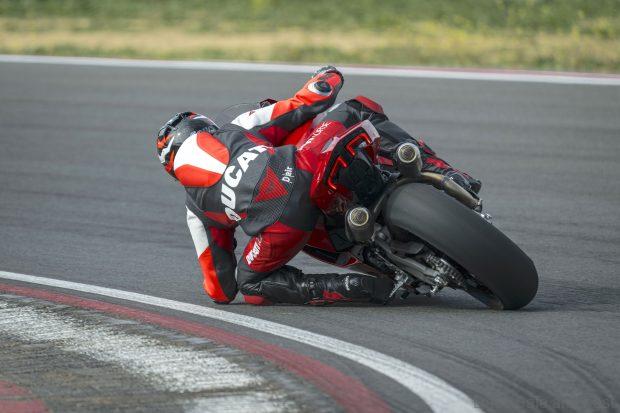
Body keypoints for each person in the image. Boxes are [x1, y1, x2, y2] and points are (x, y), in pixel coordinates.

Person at [155, 66, 481, 305]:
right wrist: (328, 75)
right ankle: (446, 172)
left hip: (284, 226)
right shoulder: (235, 127)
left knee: (250, 285)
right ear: (204, 127)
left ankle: (346, 287)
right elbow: (309, 100)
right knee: (357, 108)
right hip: (305, 167)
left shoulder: (195, 211)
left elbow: (221, 289)